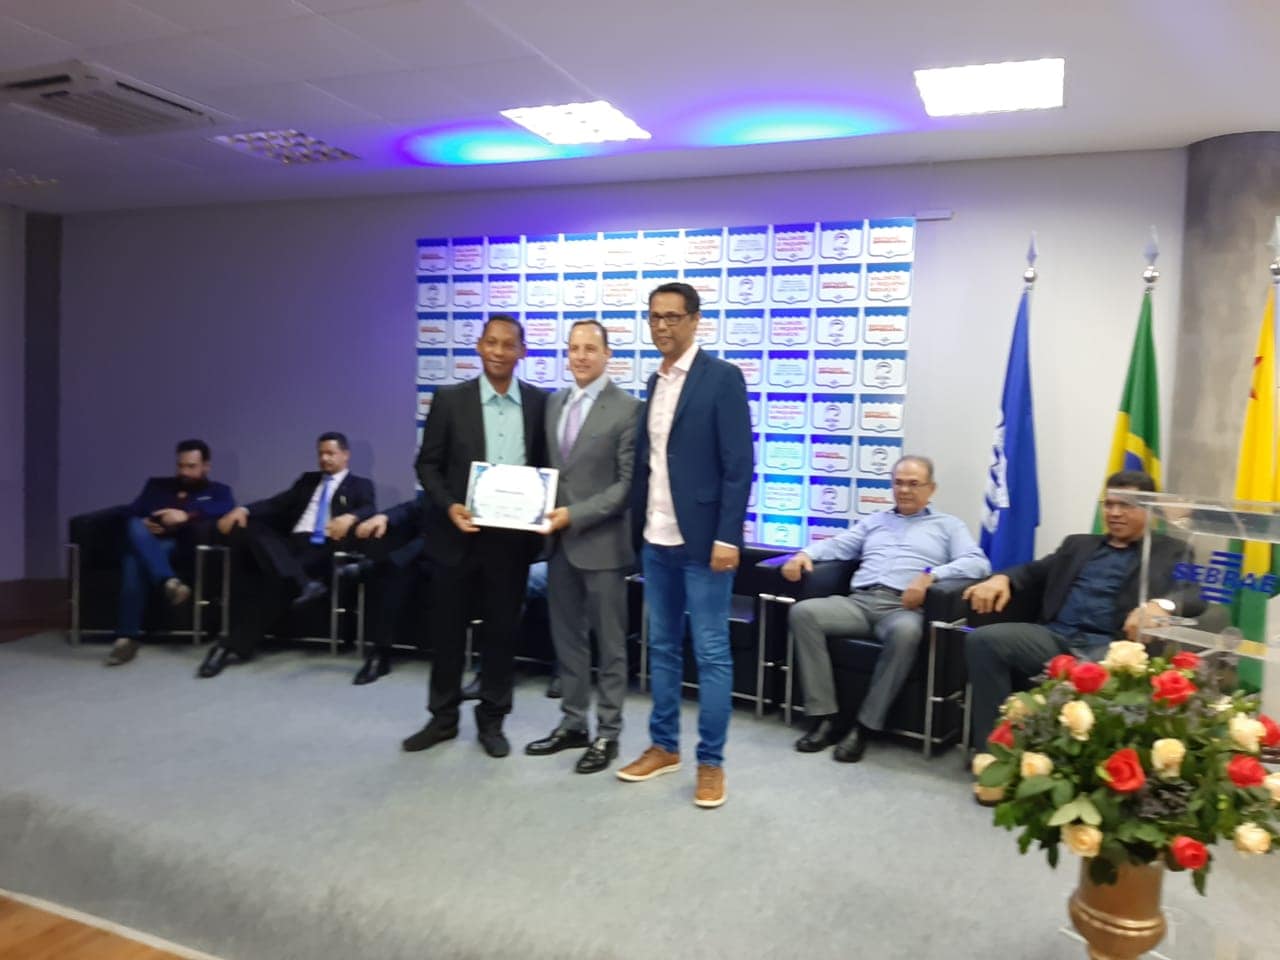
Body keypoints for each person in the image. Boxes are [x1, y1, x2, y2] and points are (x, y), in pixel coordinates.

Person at [616, 282, 753, 809]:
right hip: (657, 540)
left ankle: (711, 763)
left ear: (695, 320)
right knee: (663, 648)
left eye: (673, 317)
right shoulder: (655, 381)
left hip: (705, 545)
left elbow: (738, 465)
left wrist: (727, 537)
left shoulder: (722, 378)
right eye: (655, 317)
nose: (662, 326)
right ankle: (664, 746)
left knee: (712, 653)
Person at [401, 314, 549, 759]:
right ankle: (443, 718)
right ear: (479, 347)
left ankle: (492, 720)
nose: (499, 351)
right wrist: (450, 505)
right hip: (456, 537)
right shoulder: (450, 400)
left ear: (522, 351)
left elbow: (547, 467)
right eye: (491, 342)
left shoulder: (540, 403)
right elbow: (427, 464)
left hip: (511, 542)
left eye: (508, 344)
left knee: (502, 634)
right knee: (447, 632)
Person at [963, 470, 1198, 747]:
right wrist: (1001, 578)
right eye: (1109, 504)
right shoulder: (1077, 545)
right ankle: (992, 751)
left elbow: (1194, 594)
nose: (1114, 513)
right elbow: (1033, 571)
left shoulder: (1172, 551)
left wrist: (1161, 605)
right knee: (983, 640)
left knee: (1092, 674)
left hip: (1111, 646)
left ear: (1149, 510)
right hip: (1054, 637)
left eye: (1125, 505)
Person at [782, 456, 990, 762]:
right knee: (804, 613)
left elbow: (978, 563)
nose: (904, 490)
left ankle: (865, 726)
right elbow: (838, 545)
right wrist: (804, 554)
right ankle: (825, 717)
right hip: (858, 603)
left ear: (931, 489)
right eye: (898, 483)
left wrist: (931, 575)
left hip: (901, 609)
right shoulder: (874, 521)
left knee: (907, 632)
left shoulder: (948, 526)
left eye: (913, 484)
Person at [525, 319, 639, 774]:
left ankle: (608, 732)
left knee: (610, 647)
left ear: (608, 354)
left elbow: (626, 486)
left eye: (591, 348)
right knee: (567, 641)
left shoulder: (628, 408)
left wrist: (574, 514)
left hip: (603, 546)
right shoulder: (554, 403)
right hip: (559, 548)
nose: (581, 356)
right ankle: (573, 723)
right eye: (574, 348)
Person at [198, 432, 375, 678]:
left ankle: (224, 648)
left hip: (324, 545)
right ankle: (302, 583)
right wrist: (243, 510)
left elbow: (370, 508)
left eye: (330, 453)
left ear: (345, 455)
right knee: (250, 528)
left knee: (276, 583)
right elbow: (276, 504)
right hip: (291, 543)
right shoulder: (307, 481)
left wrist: (351, 516)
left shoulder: (360, 485)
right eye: (321, 453)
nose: (324, 459)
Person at [104, 439, 235, 666]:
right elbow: (130, 511)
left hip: (181, 546)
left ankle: (126, 638)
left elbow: (225, 508)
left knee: (134, 559)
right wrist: (145, 521)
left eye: (191, 466)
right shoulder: (156, 486)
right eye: (180, 465)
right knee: (134, 528)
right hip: (149, 541)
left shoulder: (219, 491)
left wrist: (186, 516)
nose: (184, 472)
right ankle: (169, 582)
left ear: (206, 466)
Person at [348, 498, 429, 685]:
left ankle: (375, 565)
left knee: (433, 537)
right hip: (423, 559)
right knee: (396, 575)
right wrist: (383, 517)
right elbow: (410, 507)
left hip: (464, 556)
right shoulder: (440, 490)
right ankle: (380, 653)